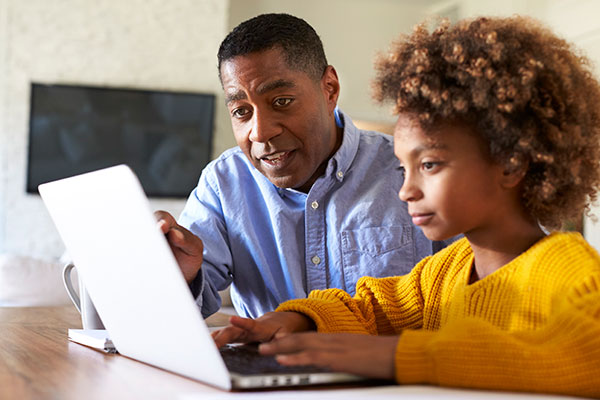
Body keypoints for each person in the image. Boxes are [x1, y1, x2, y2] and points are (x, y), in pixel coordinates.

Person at [211, 16, 600, 397]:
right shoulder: (445, 272)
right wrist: (300, 318)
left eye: (429, 165)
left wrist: (401, 355)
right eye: (404, 167)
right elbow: (373, 308)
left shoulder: (567, 268)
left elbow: (586, 357)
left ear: (511, 163)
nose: (406, 190)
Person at [156, 13, 451, 319]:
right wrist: (182, 276)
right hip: (268, 366)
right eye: (241, 111)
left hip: (391, 365)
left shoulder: (409, 170)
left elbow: (469, 288)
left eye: (282, 101)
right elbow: (177, 309)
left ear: (330, 89)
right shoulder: (223, 183)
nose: (260, 132)